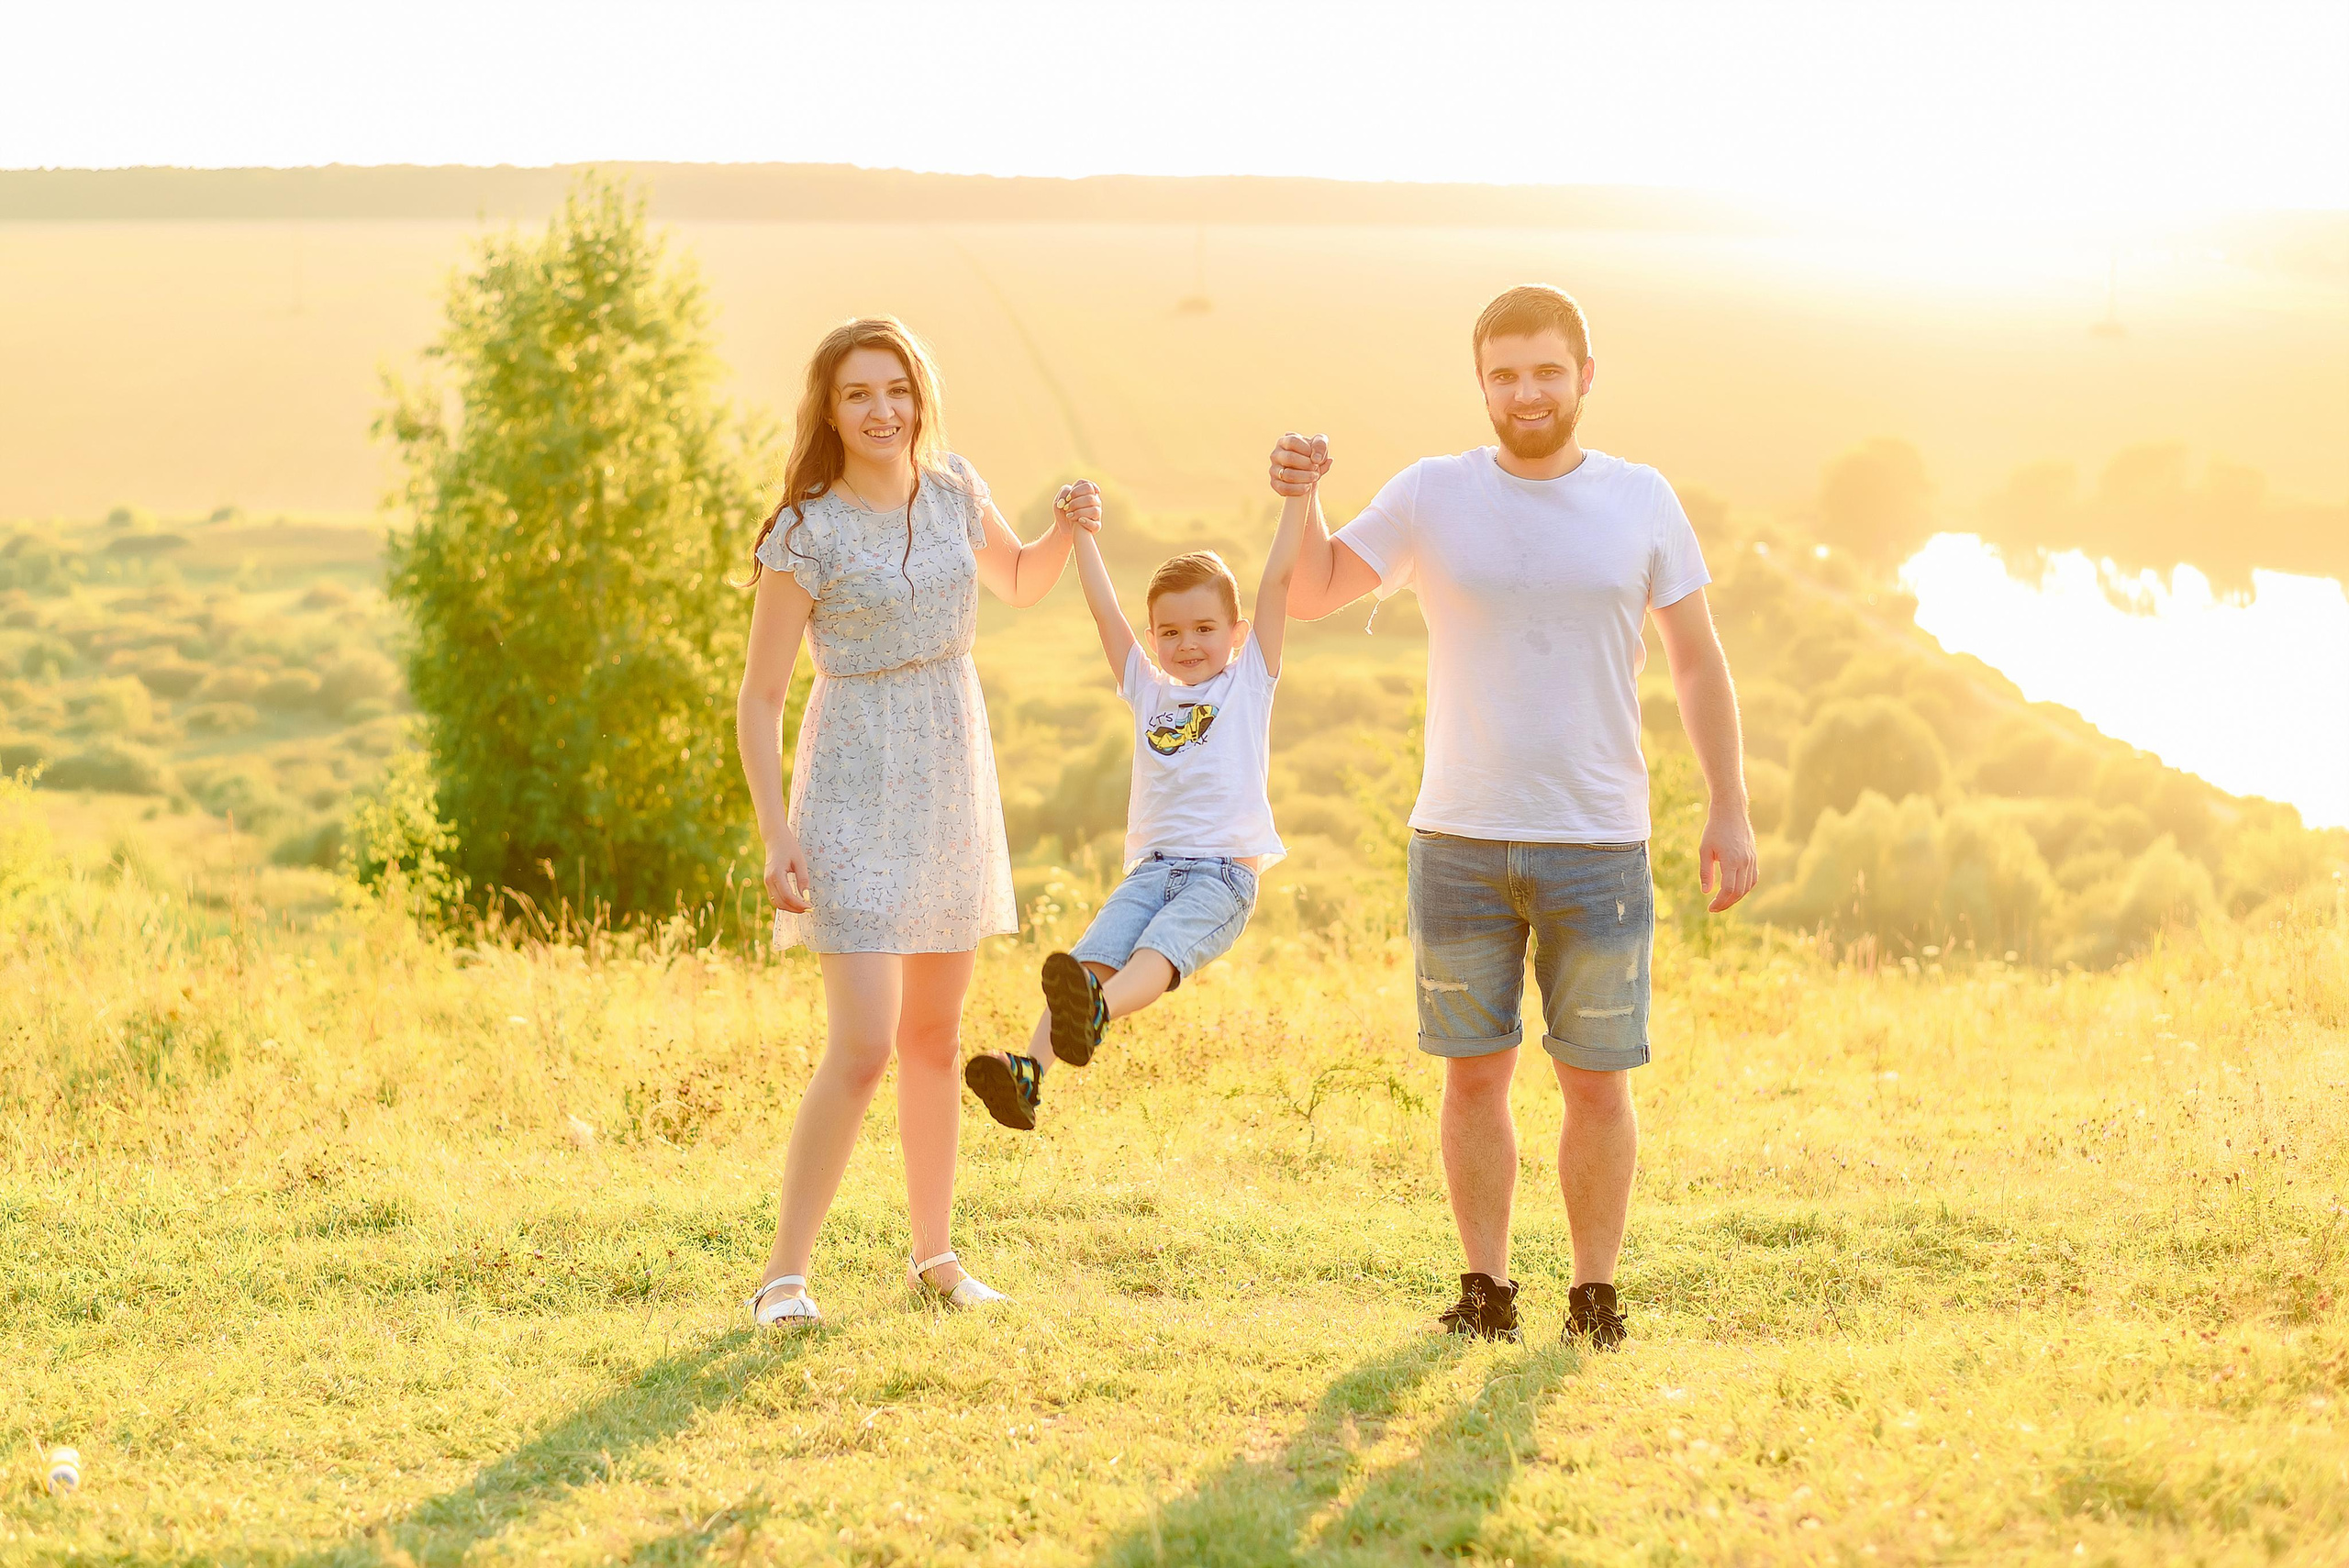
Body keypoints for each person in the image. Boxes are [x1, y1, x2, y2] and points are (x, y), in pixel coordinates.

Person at [1269, 285, 1758, 1350]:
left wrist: (1729, 803)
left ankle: (1594, 1296)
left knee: (1597, 1082)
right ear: (1480, 384)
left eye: (1545, 371)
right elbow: (1309, 591)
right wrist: (1302, 497)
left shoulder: (1640, 497)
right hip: (1459, 836)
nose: (1525, 392)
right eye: (1504, 374)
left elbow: (1695, 659)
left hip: (1600, 840)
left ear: (1584, 375)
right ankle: (1484, 1288)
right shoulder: (1430, 492)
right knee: (1473, 1074)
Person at [735, 316, 1103, 1327]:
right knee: (862, 1043)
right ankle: (783, 1277)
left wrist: (1065, 526)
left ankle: (935, 1258)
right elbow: (759, 697)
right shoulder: (804, 531)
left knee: (935, 1038)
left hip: (949, 777)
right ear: (829, 410)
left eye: (896, 389)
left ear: (919, 396)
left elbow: (1019, 579)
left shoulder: (954, 490)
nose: (882, 410)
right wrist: (776, 832)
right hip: (850, 785)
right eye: (858, 393)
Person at [962, 446, 1318, 1131]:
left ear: (1237, 633)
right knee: (1083, 965)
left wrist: (1298, 499)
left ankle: (1100, 1013)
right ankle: (1029, 1074)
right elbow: (1104, 614)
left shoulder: (1249, 682)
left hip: (1221, 876)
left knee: (1157, 954)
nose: (1189, 644)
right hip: (1150, 871)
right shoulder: (1148, 689)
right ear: (1153, 638)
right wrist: (1081, 533)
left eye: (1206, 629)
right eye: (1172, 632)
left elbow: (1276, 582)